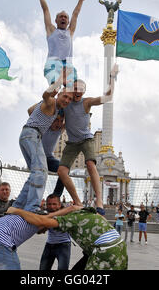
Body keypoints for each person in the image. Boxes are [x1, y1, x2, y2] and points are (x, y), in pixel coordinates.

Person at [57, 64, 119, 215]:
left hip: (86, 139)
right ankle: (77, 201)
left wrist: (112, 78)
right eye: (75, 88)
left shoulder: (87, 102)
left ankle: (99, 200)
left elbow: (108, 97)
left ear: (84, 91)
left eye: (81, 89)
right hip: (72, 142)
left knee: (90, 164)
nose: (78, 91)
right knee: (61, 171)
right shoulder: (67, 101)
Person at [12, 72, 73, 212]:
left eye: (69, 99)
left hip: (29, 135)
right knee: (41, 171)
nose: (67, 100)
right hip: (32, 134)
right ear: (58, 95)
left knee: (36, 172)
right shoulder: (51, 102)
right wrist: (59, 82)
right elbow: (46, 96)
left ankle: (17, 206)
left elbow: (30, 110)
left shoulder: (56, 110)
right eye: (65, 97)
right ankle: (32, 207)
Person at [7, 206, 128, 270]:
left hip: (106, 251)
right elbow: (73, 207)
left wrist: (16, 211)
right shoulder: (84, 211)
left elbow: (40, 220)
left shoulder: (71, 220)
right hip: (120, 246)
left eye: (44, 230)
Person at [0, 204, 81, 270]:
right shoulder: (35, 219)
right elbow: (68, 210)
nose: (44, 231)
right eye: (46, 228)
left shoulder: (18, 217)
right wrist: (76, 208)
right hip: (0, 242)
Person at [31, 0, 88, 87]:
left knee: (72, 91)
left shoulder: (70, 31)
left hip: (68, 65)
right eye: (61, 17)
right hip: (53, 63)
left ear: (68, 21)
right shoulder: (51, 29)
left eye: (65, 17)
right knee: (55, 87)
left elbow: (75, 13)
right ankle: (50, 99)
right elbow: (46, 10)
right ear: (56, 20)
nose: (63, 18)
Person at [27, 104, 65, 198]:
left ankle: (56, 195)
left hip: (49, 158)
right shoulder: (43, 126)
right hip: (38, 158)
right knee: (38, 177)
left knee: (64, 169)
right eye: (56, 120)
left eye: (61, 121)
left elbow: (71, 119)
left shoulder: (59, 130)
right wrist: (51, 101)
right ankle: (31, 196)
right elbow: (30, 111)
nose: (58, 124)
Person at [39, 194, 71, 270]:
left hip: (63, 245)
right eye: (49, 204)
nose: (52, 207)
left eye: (54, 204)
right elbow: (39, 231)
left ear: (59, 205)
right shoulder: (46, 214)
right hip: (49, 244)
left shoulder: (66, 214)